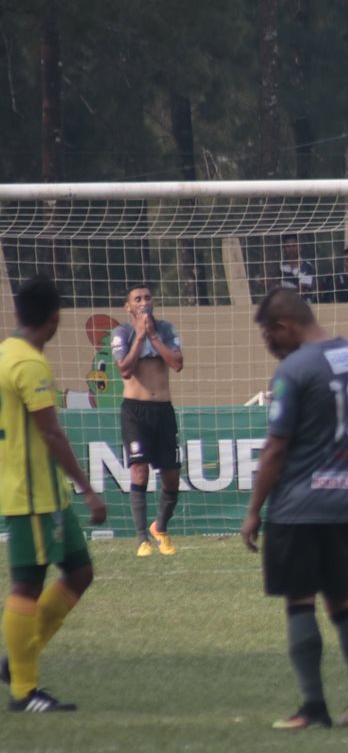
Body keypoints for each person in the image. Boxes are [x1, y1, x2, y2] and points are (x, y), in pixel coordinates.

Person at [241, 288, 348, 729]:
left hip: (298, 505)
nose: (268, 344)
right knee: (342, 604)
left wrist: (253, 511)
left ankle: (313, 708)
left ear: (284, 327)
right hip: (344, 500)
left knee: (299, 604)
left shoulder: (294, 369)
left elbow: (275, 450)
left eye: (268, 334)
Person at [1, 275, 107, 712]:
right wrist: (89, 490)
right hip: (31, 495)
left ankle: (18, 659)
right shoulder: (28, 364)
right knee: (27, 582)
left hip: (49, 494)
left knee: (80, 572)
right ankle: (24, 691)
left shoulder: (7, 351)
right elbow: (51, 433)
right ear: (55, 317)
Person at [112, 284, 184, 557]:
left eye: (147, 297)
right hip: (135, 411)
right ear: (128, 307)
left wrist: (153, 336)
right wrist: (140, 336)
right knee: (139, 470)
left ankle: (160, 527)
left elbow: (177, 363)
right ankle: (142, 538)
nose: (144, 302)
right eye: (137, 299)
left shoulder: (165, 329)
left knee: (172, 477)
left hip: (163, 410)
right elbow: (125, 370)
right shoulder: (122, 333)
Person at [278, 234, 317, 303]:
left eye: (294, 246)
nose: (291, 249)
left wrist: (281, 292)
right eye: (288, 246)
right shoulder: (280, 267)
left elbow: (301, 291)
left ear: (300, 247)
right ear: (283, 248)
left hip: (303, 306)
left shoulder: (307, 266)